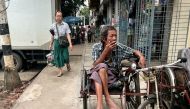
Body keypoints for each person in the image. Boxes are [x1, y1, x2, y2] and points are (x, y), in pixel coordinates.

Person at [89, 26, 146, 109]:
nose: (114, 38)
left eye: (115, 36)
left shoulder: (119, 47)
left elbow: (133, 51)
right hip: (98, 80)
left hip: (112, 80)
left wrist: (141, 56)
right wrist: (105, 52)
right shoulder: (96, 47)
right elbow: (95, 65)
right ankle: (107, 99)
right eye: (111, 36)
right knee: (100, 68)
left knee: (98, 70)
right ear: (104, 39)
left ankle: (100, 105)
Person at [49, 11, 73, 77]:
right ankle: (60, 71)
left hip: (64, 42)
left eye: (60, 16)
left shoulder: (65, 25)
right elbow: (52, 36)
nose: (59, 17)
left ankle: (67, 63)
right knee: (58, 57)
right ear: (55, 17)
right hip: (57, 43)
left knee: (66, 57)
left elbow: (68, 34)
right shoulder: (52, 26)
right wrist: (51, 44)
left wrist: (70, 44)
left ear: (62, 17)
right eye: (57, 16)